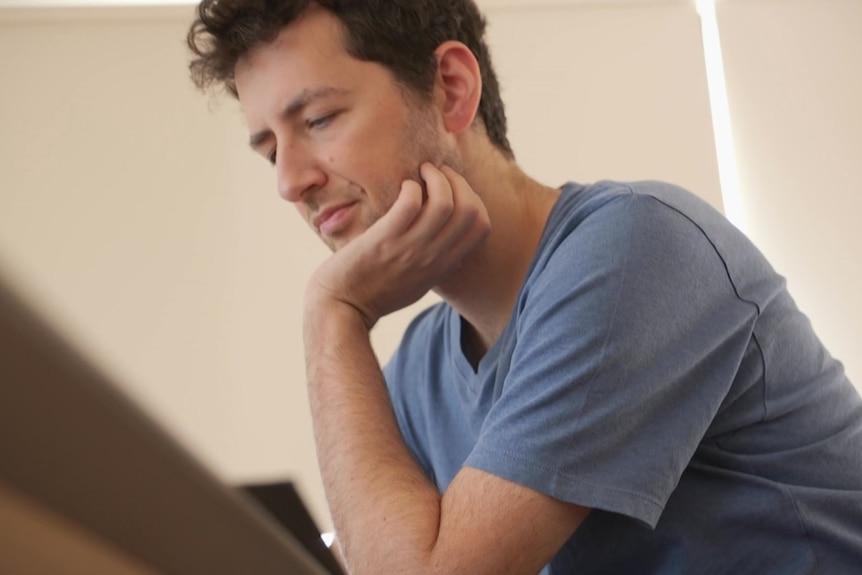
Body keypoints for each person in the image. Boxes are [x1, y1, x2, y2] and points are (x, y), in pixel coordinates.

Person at [186, 1, 862, 573]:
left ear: (451, 87)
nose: (289, 180)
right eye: (271, 149)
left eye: (318, 120)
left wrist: (330, 313)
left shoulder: (636, 247)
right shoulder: (420, 372)